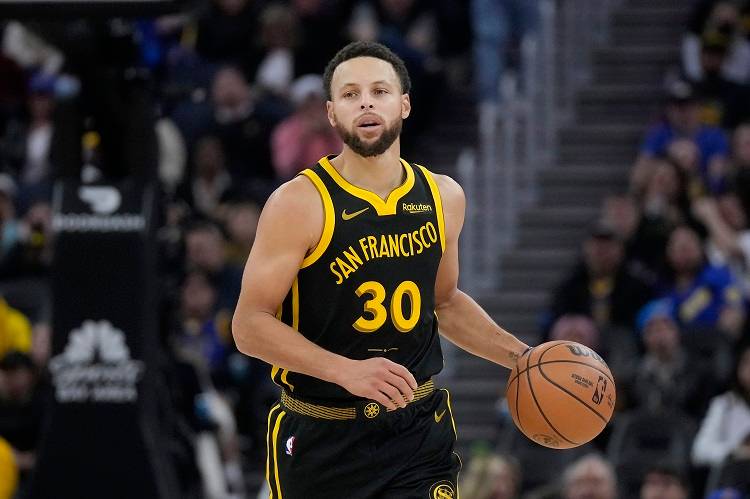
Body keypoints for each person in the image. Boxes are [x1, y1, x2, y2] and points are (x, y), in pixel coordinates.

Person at [231, 41, 529, 498]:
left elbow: (445, 302)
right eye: (350, 94)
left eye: (379, 91)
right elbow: (249, 325)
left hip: (416, 432)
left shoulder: (443, 196)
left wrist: (522, 358)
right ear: (331, 113)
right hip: (321, 434)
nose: (366, 102)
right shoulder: (299, 203)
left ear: (404, 104)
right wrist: (346, 371)